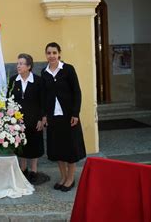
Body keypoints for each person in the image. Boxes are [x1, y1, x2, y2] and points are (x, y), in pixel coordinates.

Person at [41, 42, 86, 192]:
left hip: (68, 116)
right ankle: (63, 176)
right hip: (53, 117)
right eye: (49, 53)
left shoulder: (68, 69)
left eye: (54, 52)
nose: (51, 56)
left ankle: (71, 178)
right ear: (46, 55)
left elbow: (77, 92)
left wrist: (75, 113)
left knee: (70, 148)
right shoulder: (44, 72)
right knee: (58, 148)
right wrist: (45, 115)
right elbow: (45, 96)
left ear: (59, 54)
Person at [8, 53, 47, 184]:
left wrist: (42, 118)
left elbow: (43, 101)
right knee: (21, 144)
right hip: (18, 120)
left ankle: (34, 170)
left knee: (34, 143)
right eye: (17, 63)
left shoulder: (38, 80)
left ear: (29, 66)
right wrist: (11, 118)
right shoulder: (13, 80)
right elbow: (9, 100)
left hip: (34, 118)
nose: (18, 66)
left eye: (21, 63)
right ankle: (23, 168)